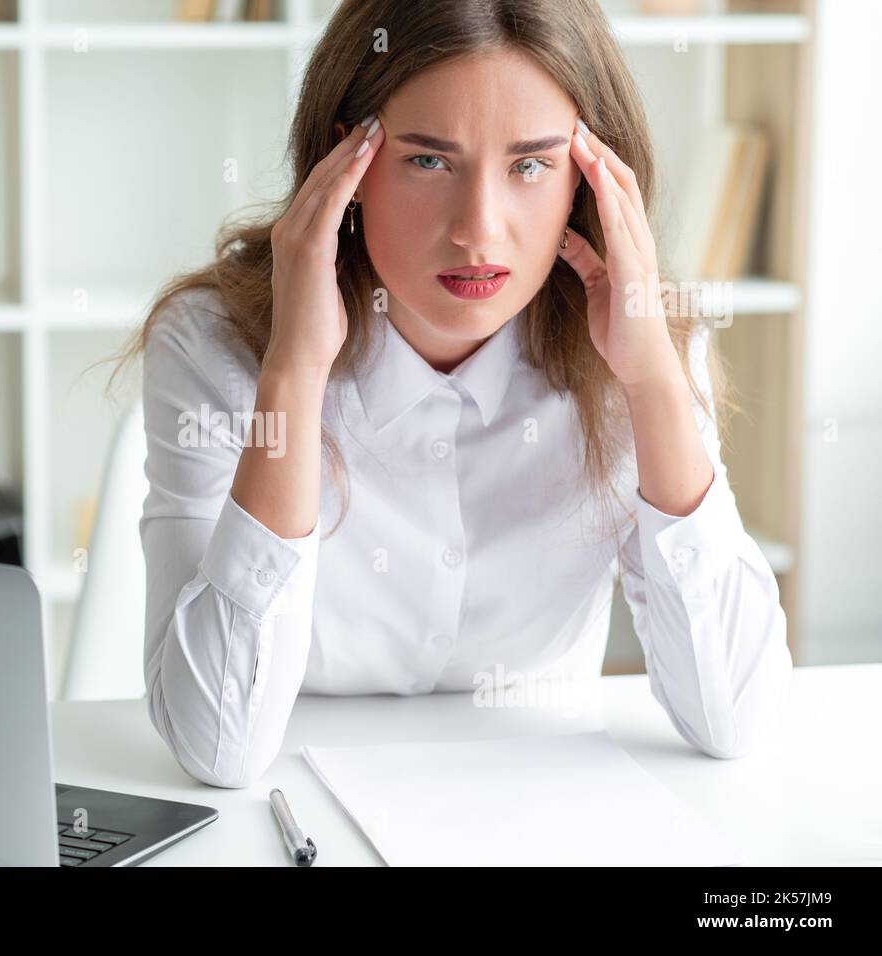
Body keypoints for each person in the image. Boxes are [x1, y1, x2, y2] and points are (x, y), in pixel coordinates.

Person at [110, 0, 792, 789]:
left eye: (530, 164)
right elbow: (217, 748)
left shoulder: (638, 349)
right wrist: (294, 372)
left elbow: (734, 720)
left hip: (541, 811)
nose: (479, 230)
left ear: (587, 180)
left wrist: (652, 382)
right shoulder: (212, 345)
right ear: (347, 168)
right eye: (430, 161)